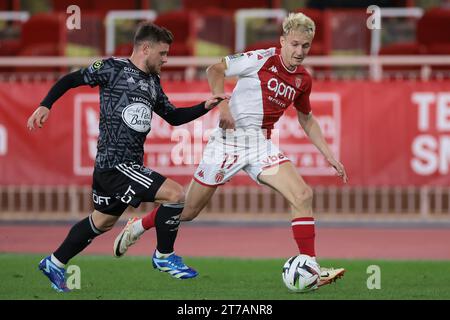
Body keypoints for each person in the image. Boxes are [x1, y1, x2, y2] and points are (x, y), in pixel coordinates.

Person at [114, 12, 348, 288]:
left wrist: (328, 154)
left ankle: (310, 266)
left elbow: (306, 118)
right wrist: (222, 105)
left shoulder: (303, 79)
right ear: (283, 41)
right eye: (294, 44)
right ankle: (139, 226)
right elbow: (214, 69)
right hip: (227, 142)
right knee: (187, 212)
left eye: (305, 46)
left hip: (260, 144)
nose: (299, 51)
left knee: (302, 194)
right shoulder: (260, 59)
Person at [27, 22, 228, 292]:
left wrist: (204, 106)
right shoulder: (112, 68)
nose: (166, 59)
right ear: (146, 48)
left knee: (103, 220)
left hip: (120, 167)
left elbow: (173, 117)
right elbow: (71, 79)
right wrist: (45, 104)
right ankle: (164, 256)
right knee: (176, 195)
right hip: (117, 165)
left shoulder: (152, 82)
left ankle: (54, 262)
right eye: (163, 53)